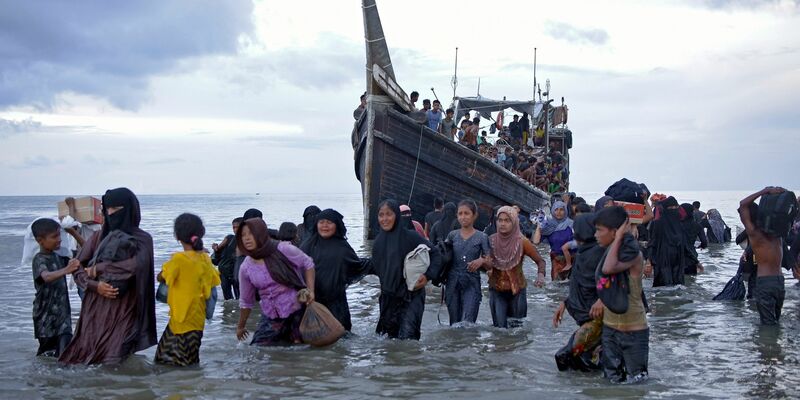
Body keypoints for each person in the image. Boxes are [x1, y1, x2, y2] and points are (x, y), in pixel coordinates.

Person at [60, 188, 157, 365]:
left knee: (116, 357)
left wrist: (99, 268)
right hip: (96, 309)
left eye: (116, 209)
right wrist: (94, 285)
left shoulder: (142, 239)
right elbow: (76, 267)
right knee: (90, 357)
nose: (111, 214)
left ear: (129, 209)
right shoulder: (98, 237)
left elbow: (137, 266)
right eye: (108, 209)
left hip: (125, 308)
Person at [363, 200, 442, 340]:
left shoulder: (410, 236)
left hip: (411, 297)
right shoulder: (378, 242)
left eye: (389, 214)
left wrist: (428, 276)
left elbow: (435, 253)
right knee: (388, 342)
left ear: (397, 216)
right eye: (381, 215)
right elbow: (377, 268)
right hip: (388, 299)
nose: (384, 219)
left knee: (408, 341)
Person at [236, 218, 315, 345]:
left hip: (296, 311)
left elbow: (308, 264)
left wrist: (311, 290)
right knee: (258, 348)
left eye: (251, 233)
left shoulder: (283, 249)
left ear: (261, 233)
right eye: (243, 235)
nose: (247, 238)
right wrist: (240, 326)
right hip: (271, 316)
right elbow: (246, 301)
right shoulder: (246, 267)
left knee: (299, 351)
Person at [155, 213, 220, 366]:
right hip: (196, 319)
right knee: (188, 360)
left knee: (167, 363)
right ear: (201, 233)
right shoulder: (205, 258)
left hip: (181, 320)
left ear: (177, 236)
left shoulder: (179, 259)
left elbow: (161, 277)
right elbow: (214, 280)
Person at [595, 206, 649, 383]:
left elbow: (608, 269)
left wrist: (619, 238)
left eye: (599, 230)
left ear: (614, 231)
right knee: (611, 383)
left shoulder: (633, 254)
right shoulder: (609, 251)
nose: (596, 235)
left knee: (637, 383)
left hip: (633, 331)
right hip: (610, 329)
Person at [553, 213, 605, 371]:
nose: (574, 233)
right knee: (582, 359)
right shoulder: (583, 252)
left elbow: (608, 279)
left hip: (597, 319)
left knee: (563, 356)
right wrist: (565, 302)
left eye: (577, 229)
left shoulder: (600, 252)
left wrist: (601, 299)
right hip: (586, 316)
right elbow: (579, 283)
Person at [300, 209, 367, 331]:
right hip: (312, 301)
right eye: (321, 222)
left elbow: (356, 266)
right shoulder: (308, 245)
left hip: (337, 302)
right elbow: (297, 269)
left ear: (337, 225)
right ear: (316, 224)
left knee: (341, 336)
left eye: (329, 222)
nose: (325, 226)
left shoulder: (343, 247)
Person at [738, 187, 790, 325]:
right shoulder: (778, 234)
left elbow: (743, 204)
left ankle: (767, 346)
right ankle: (777, 346)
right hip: (780, 282)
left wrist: (764, 191)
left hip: (765, 283)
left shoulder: (755, 235)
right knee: (776, 322)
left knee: (767, 325)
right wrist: (782, 194)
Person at [487, 206, 545, 328]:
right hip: (496, 290)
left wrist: (540, 276)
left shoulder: (522, 242)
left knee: (517, 332)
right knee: (499, 332)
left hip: (517, 291)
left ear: (514, 222)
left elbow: (540, 261)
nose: (502, 224)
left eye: (507, 220)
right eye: (500, 220)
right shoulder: (490, 241)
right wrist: (485, 267)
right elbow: (484, 263)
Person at [30, 218, 79, 357]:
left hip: (63, 317)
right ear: (40, 240)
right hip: (45, 318)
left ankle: (65, 378)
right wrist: (66, 270)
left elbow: (82, 256)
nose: (59, 239)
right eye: (54, 236)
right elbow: (46, 276)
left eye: (59, 235)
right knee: (46, 356)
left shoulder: (59, 257)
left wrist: (74, 234)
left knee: (65, 355)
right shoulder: (39, 259)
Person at [445, 200, 491, 325]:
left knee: (467, 323)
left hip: (471, 283)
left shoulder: (482, 237)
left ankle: (468, 345)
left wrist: (481, 260)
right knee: (454, 324)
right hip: (452, 283)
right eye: (460, 214)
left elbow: (490, 261)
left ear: (474, 215)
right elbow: (443, 256)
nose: (463, 217)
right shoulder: (452, 236)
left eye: (467, 213)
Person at [647, 196, 688, 287]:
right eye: (671, 208)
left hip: (678, 261)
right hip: (662, 260)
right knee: (663, 287)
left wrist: (696, 262)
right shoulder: (657, 224)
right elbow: (652, 243)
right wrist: (648, 262)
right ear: (665, 209)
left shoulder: (680, 225)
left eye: (675, 207)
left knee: (677, 288)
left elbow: (685, 245)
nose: (674, 210)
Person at [534, 201, 575, 281]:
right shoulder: (548, 226)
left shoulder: (572, 224)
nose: (558, 212)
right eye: (556, 210)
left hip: (574, 260)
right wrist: (539, 226)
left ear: (565, 211)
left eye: (561, 210)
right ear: (552, 211)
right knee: (557, 287)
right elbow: (536, 242)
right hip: (557, 261)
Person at [212, 217, 242, 300]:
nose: (235, 229)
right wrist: (215, 247)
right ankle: (228, 312)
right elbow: (217, 248)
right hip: (224, 271)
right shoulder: (229, 238)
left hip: (236, 273)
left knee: (239, 298)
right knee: (227, 298)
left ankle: (234, 312)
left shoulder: (246, 241)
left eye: (238, 227)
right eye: (234, 227)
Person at [680, 203, 706, 275]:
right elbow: (704, 242)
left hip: (678, 259)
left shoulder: (677, 225)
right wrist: (701, 246)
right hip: (692, 259)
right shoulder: (698, 226)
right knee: (692, 283)